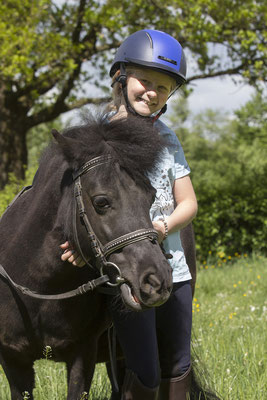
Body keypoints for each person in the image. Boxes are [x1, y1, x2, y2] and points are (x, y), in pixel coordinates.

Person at [61, 29, 198, 400]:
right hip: (127, 270)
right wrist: (78, 243)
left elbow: (189, 202)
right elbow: (80, 203)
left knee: (178, 366)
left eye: (164, 88)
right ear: (120, 77)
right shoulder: (97, 136)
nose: (152, 92)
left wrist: (163, 226)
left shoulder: (168, 138)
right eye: (145, 80)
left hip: (175, 271)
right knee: (145, 371)